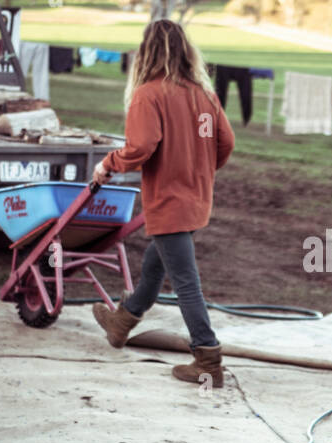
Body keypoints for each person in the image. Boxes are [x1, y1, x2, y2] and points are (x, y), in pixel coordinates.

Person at [90, 19, 235, 387]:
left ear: (146, 52)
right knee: (157, 265)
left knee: (185, 281)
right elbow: (224, 142)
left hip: (170, 198)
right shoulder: (204, 94)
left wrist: (108, 164)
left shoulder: (149, 94)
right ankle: (122, 322)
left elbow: (140, 147)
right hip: (195, 196)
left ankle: (208, 359)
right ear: (187, 51)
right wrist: (200, 169)